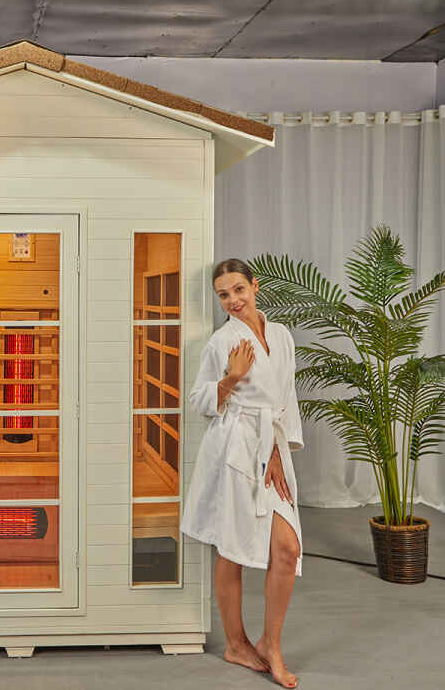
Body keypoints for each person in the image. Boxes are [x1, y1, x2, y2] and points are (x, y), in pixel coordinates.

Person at [181, 258, 304, 689]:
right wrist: (231, 379)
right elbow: (199, 400)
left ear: (255, 286)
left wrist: (278, 450)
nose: (233, 300)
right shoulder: (222, 342)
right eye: (223, 295)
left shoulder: (281, 335)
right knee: (231, 547)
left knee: (286, 549)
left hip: (269, 445)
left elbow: (287, 397)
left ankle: (271, 644)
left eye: (238, 289)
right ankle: (236, 643)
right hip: (233, 447)